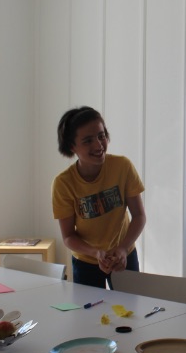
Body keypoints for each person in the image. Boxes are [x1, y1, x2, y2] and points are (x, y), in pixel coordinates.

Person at [52, 106, 146, 288]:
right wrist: (95, 253)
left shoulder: (122, 166)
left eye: (101, 136)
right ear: (72, 147)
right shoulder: (63, 183)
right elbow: (68, 236)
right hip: (85, 262)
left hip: (124, 255)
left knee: (131, 305)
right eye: (87, 141)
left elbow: (139, 216)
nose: (98, 145)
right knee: (88, 308)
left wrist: (122, 248)